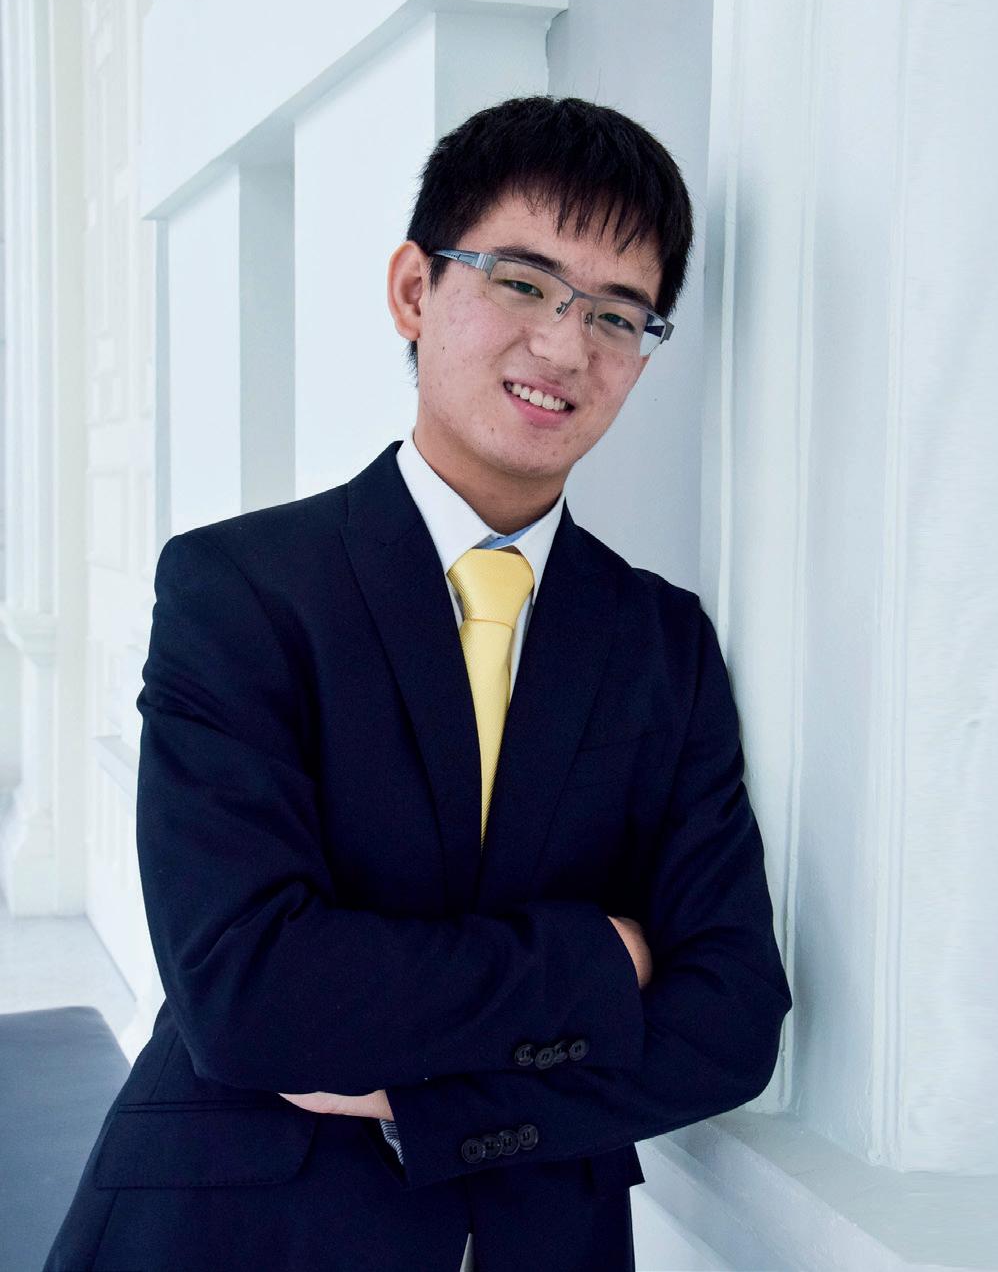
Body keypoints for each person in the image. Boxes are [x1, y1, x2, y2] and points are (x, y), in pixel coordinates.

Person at [42, 96, 791, 1271]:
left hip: (542, 1237)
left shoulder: (662, 641)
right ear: (414, 289)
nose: (566, 348)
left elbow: (733, 1019)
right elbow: (249, 993)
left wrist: (432, 1103)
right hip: (238, 1232)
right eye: (524, 282)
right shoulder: (240, 589)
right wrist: (603, 956)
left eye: (617, 314)